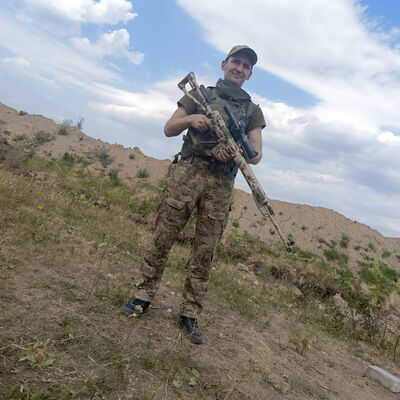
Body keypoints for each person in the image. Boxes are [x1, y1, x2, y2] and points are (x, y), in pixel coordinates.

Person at [123, 45, 266, 344]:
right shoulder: (200, 94)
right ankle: (142, 297)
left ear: (250, 74)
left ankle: (189, 313)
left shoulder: (252, 111)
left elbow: (256, 154)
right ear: (224, 64)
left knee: (205, 251)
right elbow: (169, 128)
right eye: (236, 62)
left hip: (221, 185)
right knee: (164, 235)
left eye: (246, 66)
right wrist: (192, 120)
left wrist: (236, 151)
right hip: (189, 174)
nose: (239, 68)